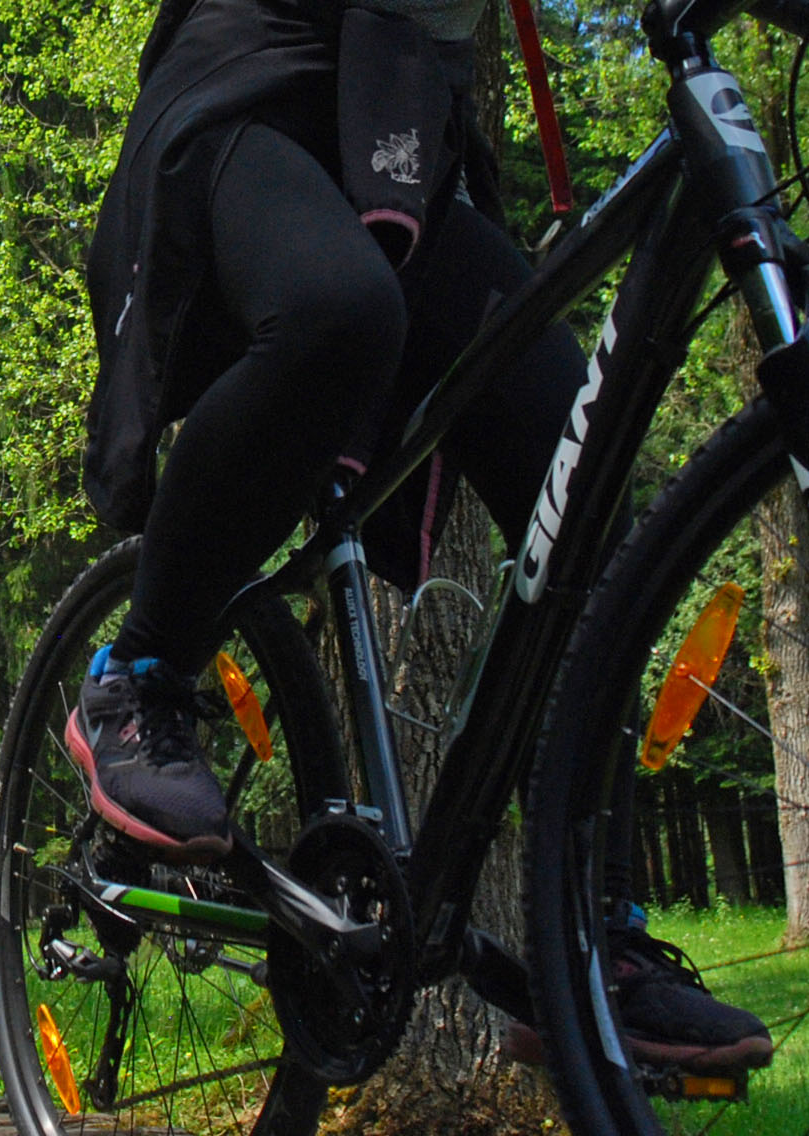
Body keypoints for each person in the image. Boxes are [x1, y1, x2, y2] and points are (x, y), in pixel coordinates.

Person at [68, 0, 774, 1071]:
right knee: (338, 311)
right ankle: (139, 676)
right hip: (249, 89)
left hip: (396, 141)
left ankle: (590, 939)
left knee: (581, 466)